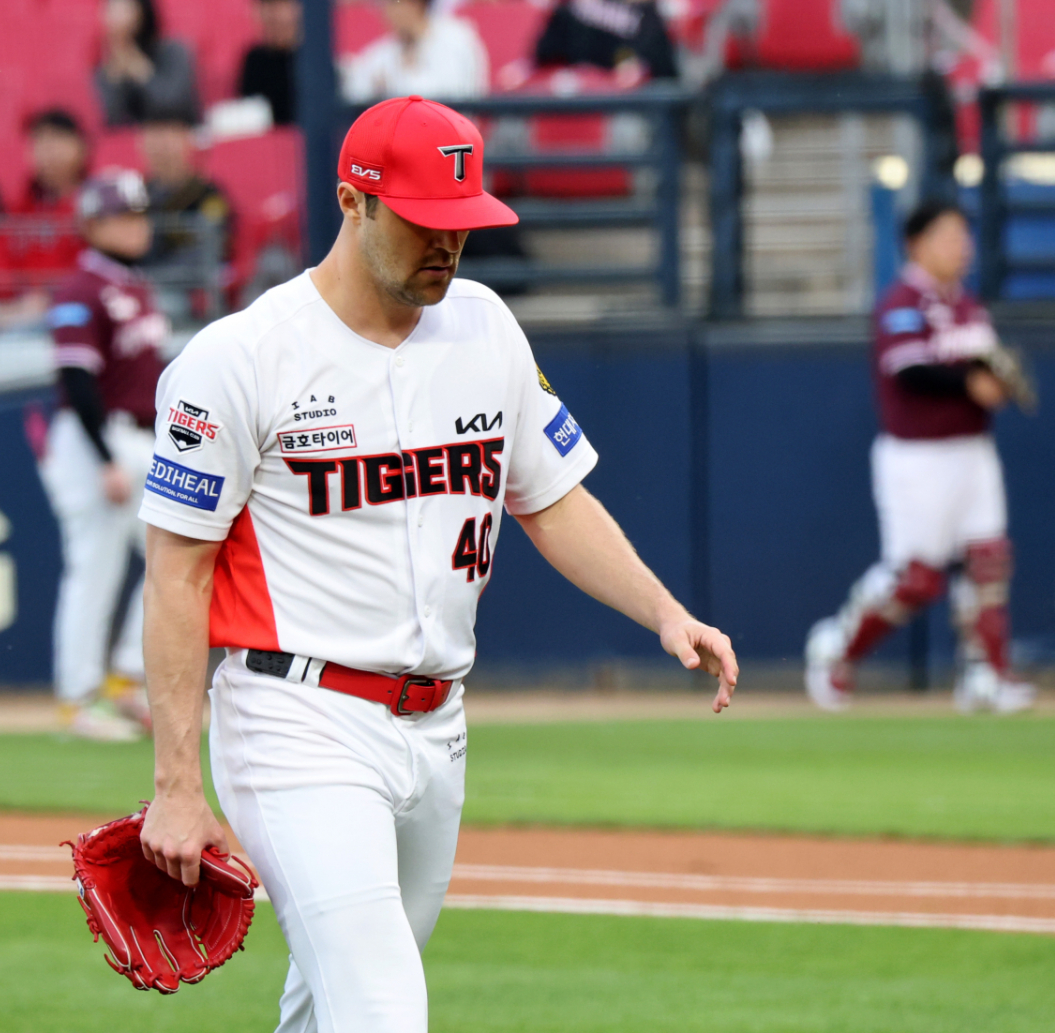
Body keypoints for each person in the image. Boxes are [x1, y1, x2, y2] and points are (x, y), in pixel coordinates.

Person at [137, 95, 737, 1032]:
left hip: (437, 725)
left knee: (331, 1004)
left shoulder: (485, 326)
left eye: (464, 220)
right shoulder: (241, 357)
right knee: (382, 1007)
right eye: (425, 219)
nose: (449, 242)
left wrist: (665, 610)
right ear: (354, 201)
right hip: (297, 718)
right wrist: (177, 785)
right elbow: (177, 572)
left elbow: (549, 496)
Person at [803, 199, 1035, 715]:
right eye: (948, 236)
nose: (961, 247)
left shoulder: (968, 305)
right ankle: (835, 649)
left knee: (987, 561)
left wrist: (999, 382)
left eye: (964, 236)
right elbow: (908, 370)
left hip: (972, 450)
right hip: (918, 456)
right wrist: (971, 382)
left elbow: (987, 366)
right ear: (916, 244)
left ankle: (987, 676)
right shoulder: (902, 301)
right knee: (915, 579)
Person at [39, 169, 168, 741]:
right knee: (94, 568)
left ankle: (125, 678)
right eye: (122, 216)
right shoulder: (80, 288)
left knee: (174, 556)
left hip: (139, 436)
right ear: (93, 224)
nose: (136, 225)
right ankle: (78, 696)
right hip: (94, 438)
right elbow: (76, 378)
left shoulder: (134, 284)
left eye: (139, 214)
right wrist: (104, 457)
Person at [0, 110, 88, 330]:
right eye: (39, 141)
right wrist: (17, 303)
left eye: (57, 140)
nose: (48, 150)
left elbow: (94, 268)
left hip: (75, 309)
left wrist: (48, 296)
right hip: (17, 311)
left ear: (80, 147)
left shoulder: (93, 205)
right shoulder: (18, 210)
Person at [138, 114, 233, 317]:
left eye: (169, 135)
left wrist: (161, 276)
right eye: (153, 136)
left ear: (188, 141)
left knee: (165, 303)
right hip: (142, 284)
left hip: (188, 287)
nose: (161, 146)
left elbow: (212, 248)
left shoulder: (207, 194)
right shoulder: (137, 195)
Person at [340, 0, 489, 105]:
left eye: (394, 3)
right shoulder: (385, 49)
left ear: (417, 4)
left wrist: (394, 83)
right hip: (396, 137)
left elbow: (446, 99)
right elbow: (355, 90)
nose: (386, 12)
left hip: (447, 137)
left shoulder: (456, 39)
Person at [95, 0, 200, 127]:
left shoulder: (172, 52)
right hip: (139, 137)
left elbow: (174, 104)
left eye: (123, 9)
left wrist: (141, 71)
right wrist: (113, 77)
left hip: (183, 131)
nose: (116, 17)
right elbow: (112, 119)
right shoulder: (108, 67)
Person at [534, 0, 679, 80]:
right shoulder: (572, 10)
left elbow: (666, 77)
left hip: (626, 107)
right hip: (573, 95)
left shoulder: (650, 21)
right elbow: (544, 55)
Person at [238, 0, 301, 126]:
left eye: (281, 6)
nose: (275, 15)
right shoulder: (255, 60)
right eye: (269, 6)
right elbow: (248, 113)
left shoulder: (312, 60)